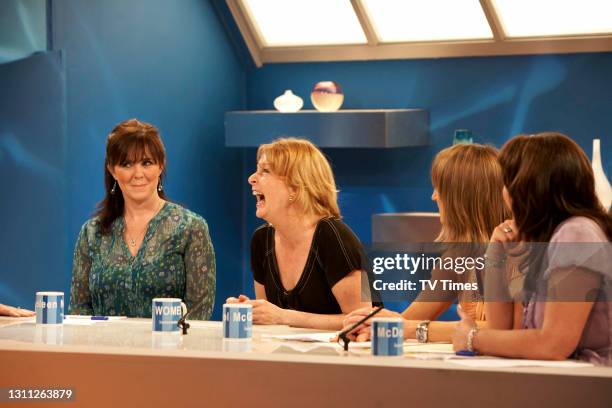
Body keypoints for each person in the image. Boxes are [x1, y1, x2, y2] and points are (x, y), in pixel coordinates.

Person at [452, 132, 612, 365]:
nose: (503, 194)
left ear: (527, 189)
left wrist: (472, 338)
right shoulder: (551, 239)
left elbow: (553, 344)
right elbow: (502, 331)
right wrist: (496, 254)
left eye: (507, 184)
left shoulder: (576, 233)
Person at [342, 144, 510, 342]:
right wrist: (372, 324)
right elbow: (409, 320)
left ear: (461, 199)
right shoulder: (457, 257)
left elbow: (498, 330)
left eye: (439, 188)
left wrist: (412, 329)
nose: (433, 196)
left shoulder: (514, 252)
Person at [69, 119, 215, 319]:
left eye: (146, 162)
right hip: (103, 348)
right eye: (127, 164)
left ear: (160, 165)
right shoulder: (92, 232)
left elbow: (199, 313)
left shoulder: (190, 228)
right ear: (112, 170)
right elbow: (80, 310)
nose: (138, 174)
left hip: (171, 349)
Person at [227, 138, 371, 330]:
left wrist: (285, 317)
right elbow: (271, 322)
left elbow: (365, 321)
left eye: (265, 171)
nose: (251, 178)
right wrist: (252, 311)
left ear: (294, 188)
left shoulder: (334, 236)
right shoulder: (261, 240)